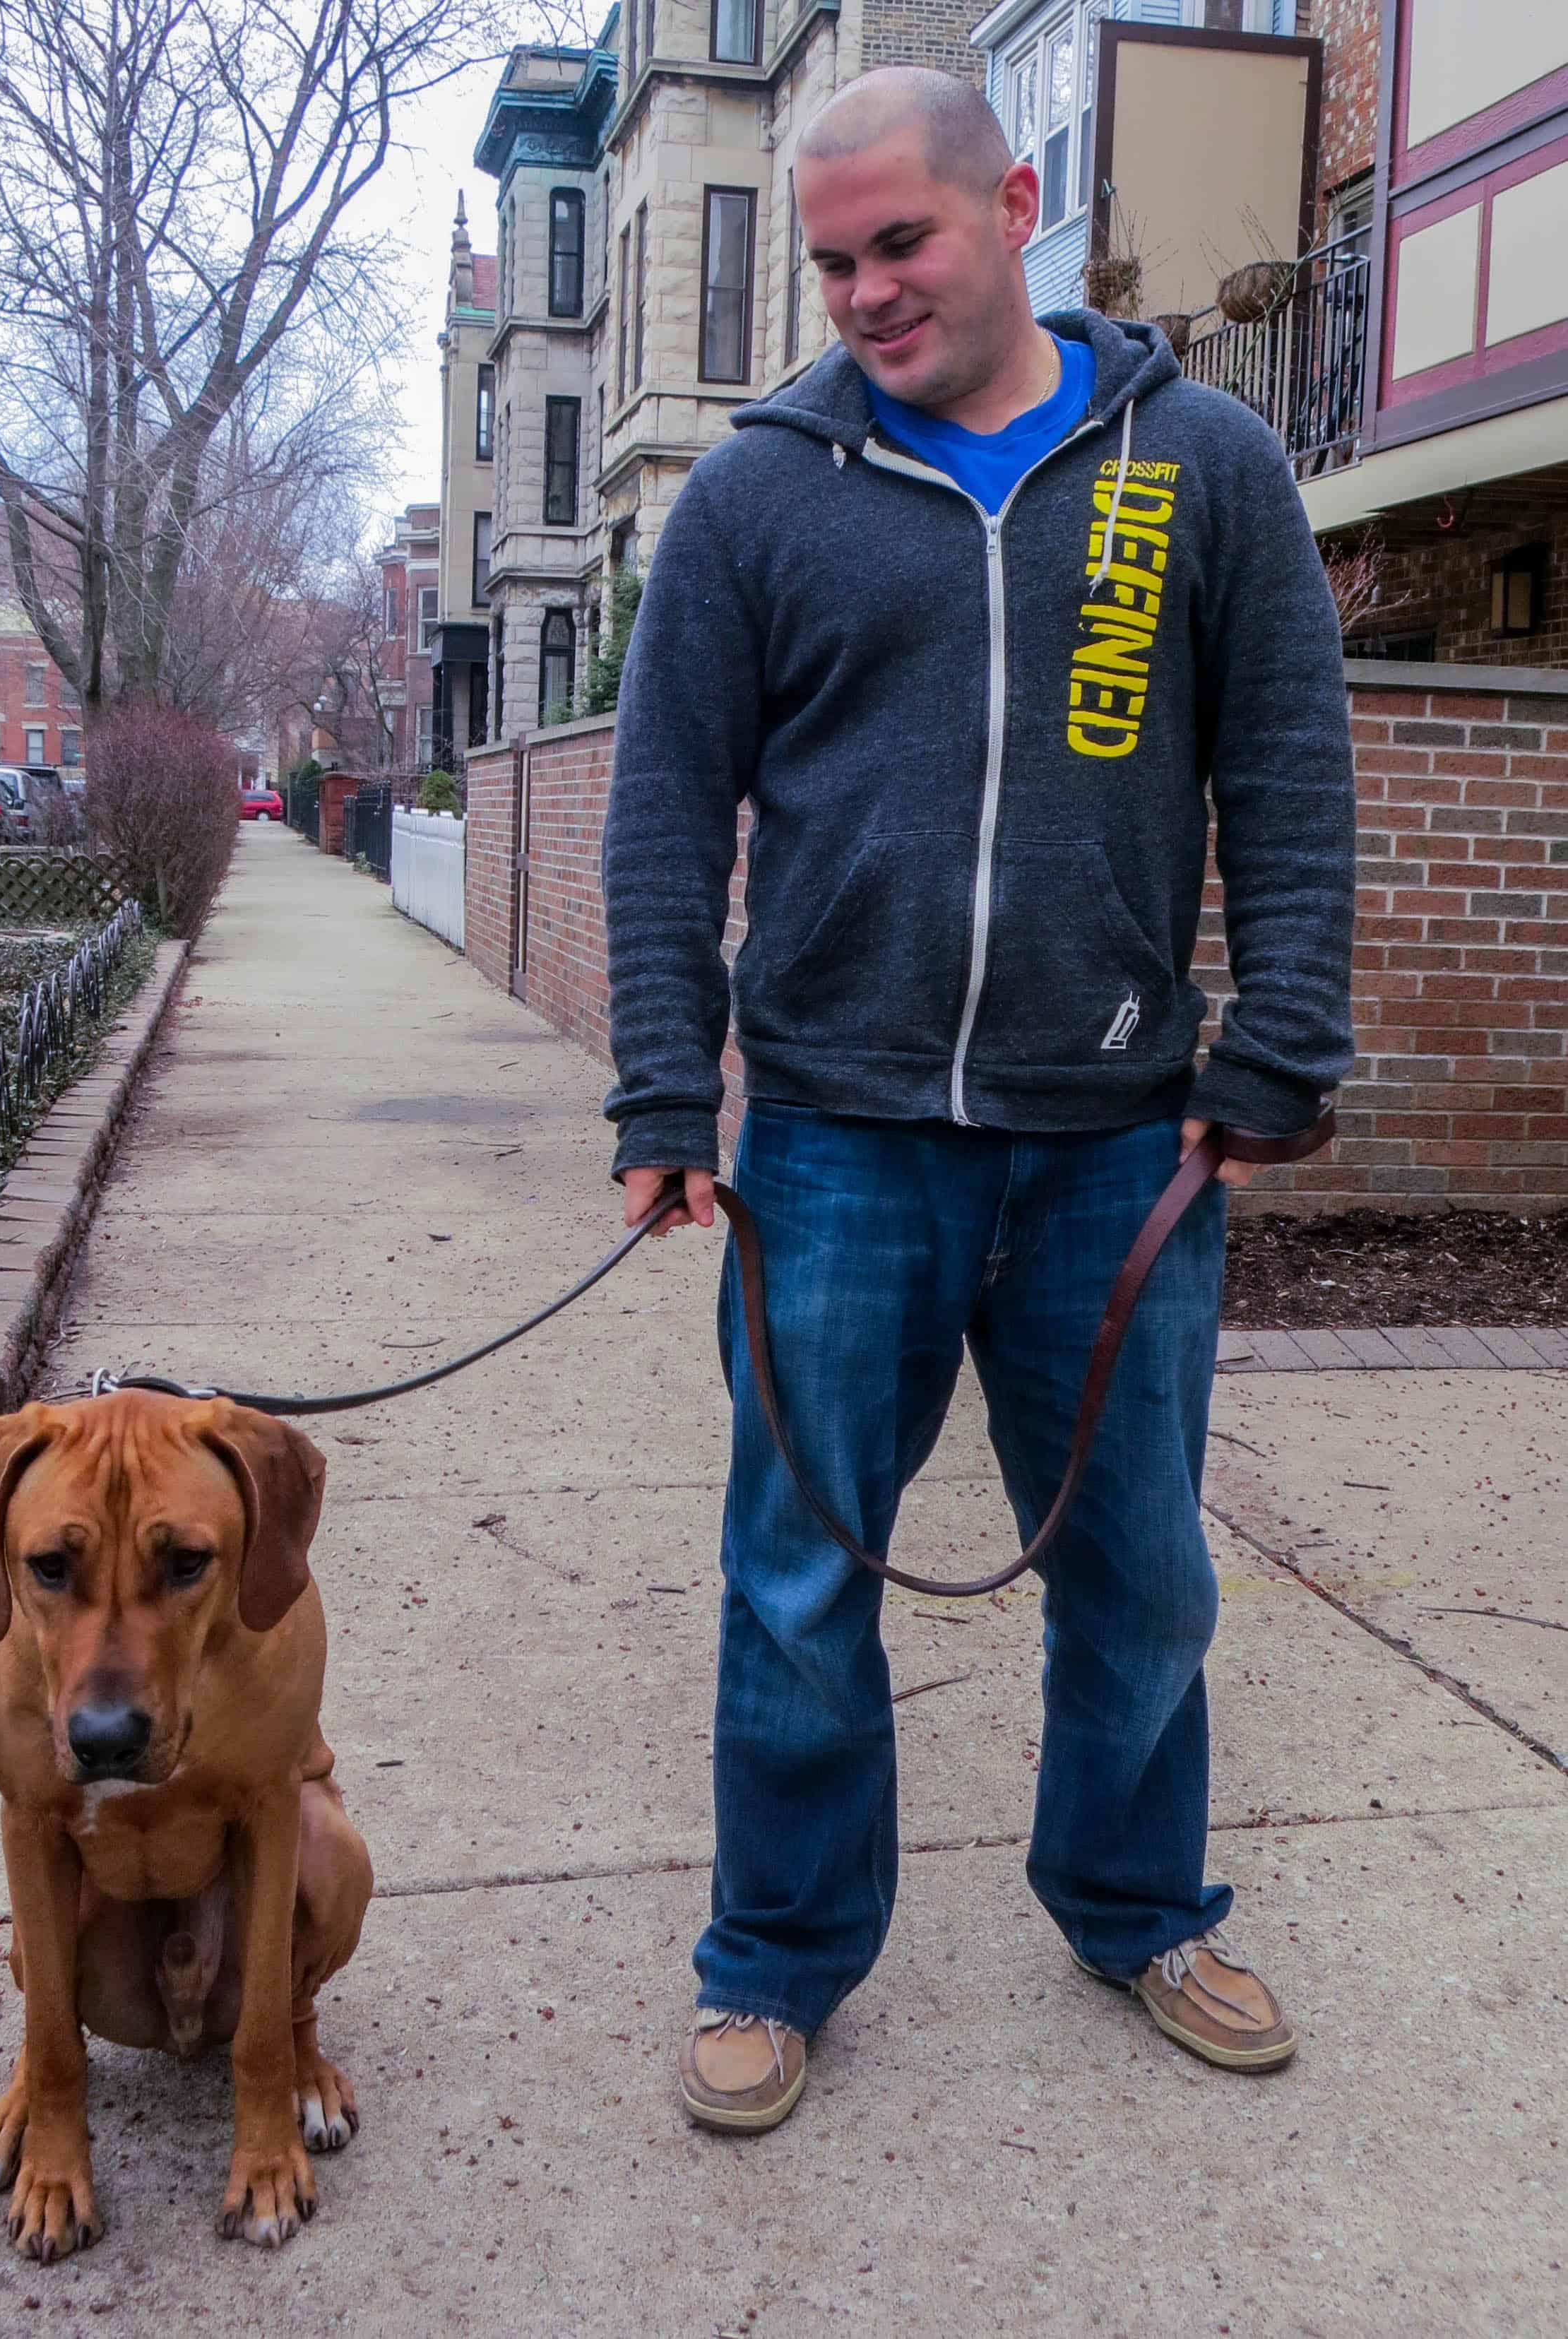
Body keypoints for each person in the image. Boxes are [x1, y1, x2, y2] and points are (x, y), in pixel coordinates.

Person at [600, 66, 1355, 2136]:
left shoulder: (1197, 472)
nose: (858, 291)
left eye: (898, 245)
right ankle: (774, 1959)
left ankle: (1135, 1906)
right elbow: (666, 811)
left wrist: (1280, 1050)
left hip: (1123, 1136)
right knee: (798, 1573)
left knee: (1140, 1570)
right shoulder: (759, 493)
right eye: (832, 262)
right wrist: (671, 1087)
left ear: (1014, 203)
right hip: (837, 1139)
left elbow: (1288, 770)